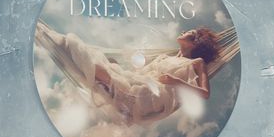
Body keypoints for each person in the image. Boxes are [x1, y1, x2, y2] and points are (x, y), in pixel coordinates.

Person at [33, 22, 231, 126]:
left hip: (151, 97)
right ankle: (49, 38)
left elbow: (205, 93)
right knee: (95, 66)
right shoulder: (165, 57)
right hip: (140, 86)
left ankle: (49, 38)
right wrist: (122, 67)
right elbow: (145, 72)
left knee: (92, 64)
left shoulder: (197, 63)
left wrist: (176, 81)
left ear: (195, 42)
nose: (184, 32)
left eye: (190, 33)